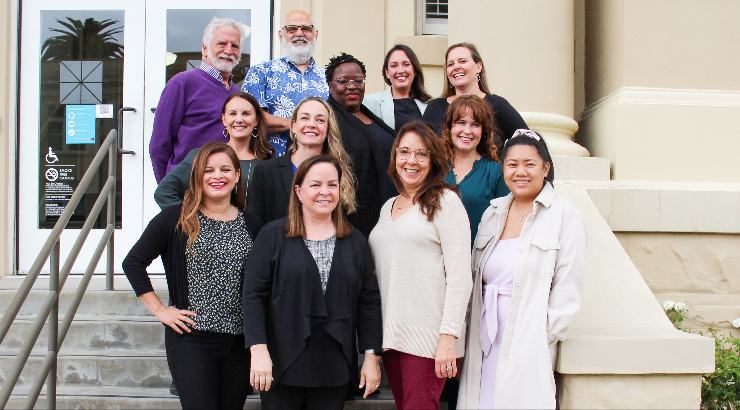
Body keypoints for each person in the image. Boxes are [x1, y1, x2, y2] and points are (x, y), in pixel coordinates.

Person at [123, 142, 264, 409]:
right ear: (196, 177)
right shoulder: (175, 218)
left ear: (237, 176)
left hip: (239, 343)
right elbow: (133, 262)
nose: (217, 176)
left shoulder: (252, 224)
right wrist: (160, 310)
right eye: (208, 170)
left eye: (225, 169)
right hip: (192, 340)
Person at [457, 129, 588, 409]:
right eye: (512, 164)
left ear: (546, 168)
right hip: (484, 338)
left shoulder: (565, 216)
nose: (521, 172)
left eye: (530, 164)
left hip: (528, 342)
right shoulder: (493, 213)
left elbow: (568, 286)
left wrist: (544, 336)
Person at [243, 154, 383, 410]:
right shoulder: (273, 236)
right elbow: (253, 297)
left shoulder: (355, 242)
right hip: (281, 362)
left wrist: (371, 357)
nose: (325, 192)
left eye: (332, 184)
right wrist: (258, 350)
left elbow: (369, 303)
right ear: (298, 190)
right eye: (315, 184)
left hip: (334, 365)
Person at [368, 121, 473, 410]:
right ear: (395, 158)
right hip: (391, 336)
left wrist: (448, 338)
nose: (411, 160)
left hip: (428, 340)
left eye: (421, 153)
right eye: (404, 152)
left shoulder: (445, 202)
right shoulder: (387, 206)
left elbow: (460, 276)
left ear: (433, 160)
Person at [150, 18, 247, 183]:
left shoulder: (236, 93)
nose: (229, 50)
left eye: (235, 46)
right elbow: (159, 145)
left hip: (222, 187)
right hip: (188, 187)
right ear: (205, 49)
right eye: (222, 43)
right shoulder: (182, 83)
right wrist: (169, 191)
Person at [154, 92, 275, 210]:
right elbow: (164, 192)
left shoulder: (267, 163)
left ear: (256, 120)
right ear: (224, 119)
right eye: (232, 114)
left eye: (246, 114)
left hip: (252, 230)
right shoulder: (203, 156)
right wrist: (189, 221)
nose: (239, 119)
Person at [248, 96, 355, 225]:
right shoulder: (266, 171)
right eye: (304, 118)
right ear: (293, 126)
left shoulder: (341, 172)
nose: (311, 124)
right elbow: (255, 225)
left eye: (320, 120)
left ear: (328, 130)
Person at [325, 52, 397, 237]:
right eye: (343, 81)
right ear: (330, 85)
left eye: (358, 81)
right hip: (353, 216)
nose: (352, 87)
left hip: (386, 210)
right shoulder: (328, 120)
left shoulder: (369, 115)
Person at [242, 10, 329, 157]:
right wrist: (298, 124)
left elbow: (337, 122)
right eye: (292, 29)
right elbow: (250, 117)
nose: (299, 33)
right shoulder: (261, 72)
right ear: (281, 35)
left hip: (318, 166)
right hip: (271, 164)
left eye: (306, 28)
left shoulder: (329, 77)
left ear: (315, 34)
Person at [422, 42, 527, 150]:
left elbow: (528, 141)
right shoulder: (434, 107)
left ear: (479, 66)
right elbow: (421, 146)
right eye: (450, 64)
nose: (456, 67)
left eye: (462, 61)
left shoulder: (498, 105)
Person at [442, 95, 510, 239]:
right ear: (450, 127)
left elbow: (505, 224)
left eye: (475, 124)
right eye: (461, 122)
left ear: (483, 131)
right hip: (437, 258)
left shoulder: (496, 173)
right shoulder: (435, 169)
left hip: (479, 258)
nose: (467, 131)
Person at [363, 44, 432, 133]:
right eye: (394, 65)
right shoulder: (370, 103)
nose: (400, 70)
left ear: (415, 70)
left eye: (406, 64)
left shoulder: (428, 105)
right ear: (387, 72)